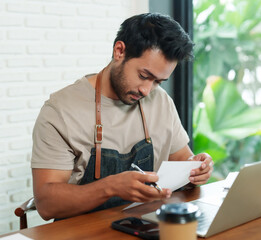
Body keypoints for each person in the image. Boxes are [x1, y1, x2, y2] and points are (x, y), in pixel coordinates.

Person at [31, 12, 213, 221]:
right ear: (119, 51)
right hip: (83, 231)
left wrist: (196, 168)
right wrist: (110, 187)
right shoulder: (60, 111)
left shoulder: (160, 101)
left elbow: (183, 161)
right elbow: (46, 204)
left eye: (158, 82)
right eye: (144, 76)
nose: (147, 90)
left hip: (145, 223)